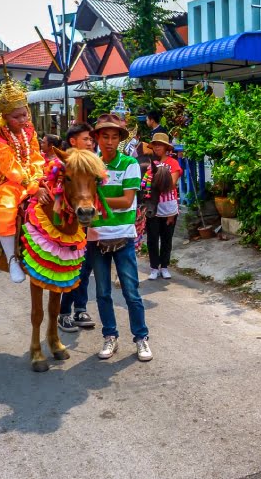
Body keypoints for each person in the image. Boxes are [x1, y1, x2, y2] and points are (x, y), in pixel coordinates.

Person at [87, 114, 152, 362]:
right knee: (102, 292)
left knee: (131, 292)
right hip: (95, 236)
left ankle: (141, 338)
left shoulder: (130, 164)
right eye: (105, 136)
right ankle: (110, 336)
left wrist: (94, 200)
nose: (110, 141)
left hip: (122, 235)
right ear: (97, 138)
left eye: (115, 137)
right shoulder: (91, 165)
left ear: (120, 140)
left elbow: (127, 202)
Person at [0, 72, 45, 284]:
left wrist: (38, 175)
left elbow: (37, 155)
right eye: (15, 117)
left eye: (24, 115)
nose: (22, 120)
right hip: (10, 183)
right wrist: (30, 183)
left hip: (34, 177)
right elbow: (11, 169)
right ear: (5, 117)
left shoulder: (30, 132)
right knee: (5, 211)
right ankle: (11, 259)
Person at [57, 122, 98, 333]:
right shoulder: (60, 165)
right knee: (67, 269)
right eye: (86, 139)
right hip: (67, 227)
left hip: (88, 224)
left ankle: (80, 309)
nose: (91, 142)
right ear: (73, 141)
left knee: (84, 268)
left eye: (92, 139)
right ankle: (63, 312)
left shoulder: (93, 164)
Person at [144, 132, 182, 281]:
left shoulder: (173, 163)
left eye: (160, 145)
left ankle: (164, 266)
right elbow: (146, 183)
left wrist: (155, 182)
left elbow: (172, 183)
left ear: (166, 147)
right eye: (155, 145)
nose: (157, 147)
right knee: (152, 238)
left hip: (168, 207)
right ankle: (154, 267)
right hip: (153, 206)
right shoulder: (150, 163)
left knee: (167, 238)